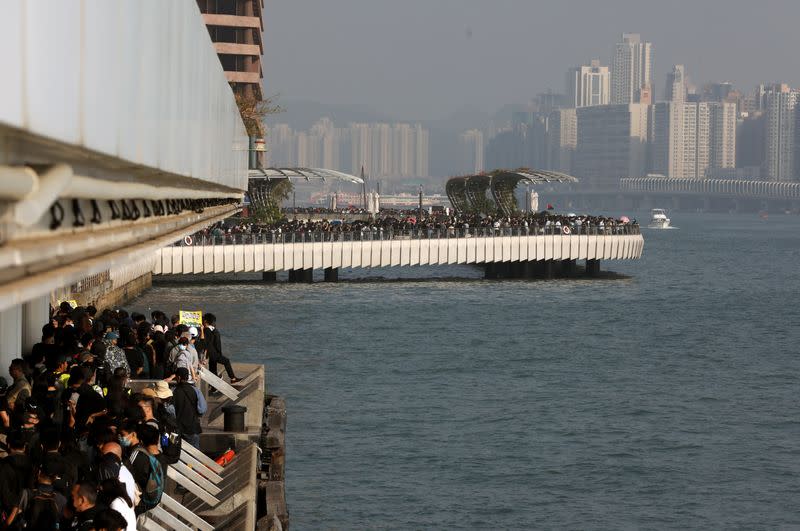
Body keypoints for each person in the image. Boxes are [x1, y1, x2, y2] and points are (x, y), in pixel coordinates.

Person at [203, 313, 239, 383]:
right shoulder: (208, 330)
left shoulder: (209, 330)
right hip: (213, 353)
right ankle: (233, 378)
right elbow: (211, 344)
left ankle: (213, 385)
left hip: (212, 353)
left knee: (213, 369)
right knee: (226, 361)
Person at [171, 368, 202, 448]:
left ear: (178, 377)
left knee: (179, 454)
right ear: (187, 377)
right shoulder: (195, 390)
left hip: (179, 429)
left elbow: (171, 411)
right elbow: (203, 408)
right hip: (193, 428)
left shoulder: (174, 392)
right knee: (195, 456)